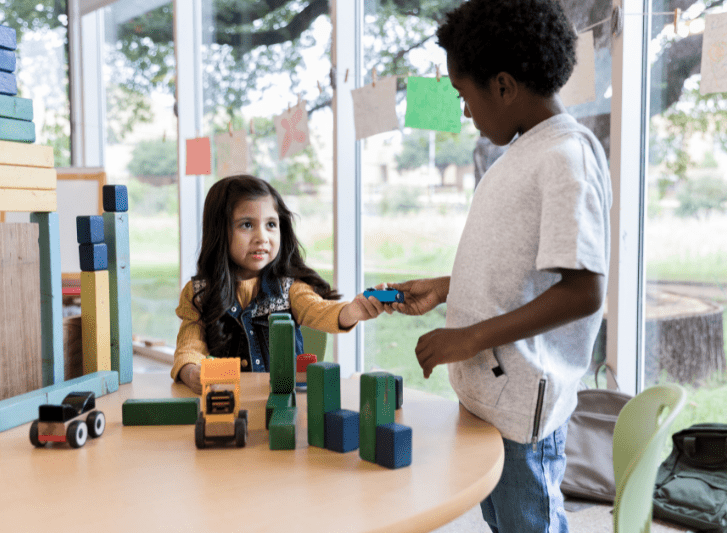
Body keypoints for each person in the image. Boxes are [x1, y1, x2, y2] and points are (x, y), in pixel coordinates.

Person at [385, 1, 612, 531]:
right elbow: (522, 267)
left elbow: (583, 290)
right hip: (494, 395)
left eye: (464, 95)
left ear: (504, 87)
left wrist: (468, 338)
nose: (465, 112)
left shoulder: (566, 158)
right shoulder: (523, 153)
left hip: (522, 408)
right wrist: (448, 287)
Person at [171, 174, 386, 394]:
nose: (262, 237)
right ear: (219, 230)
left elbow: (320, 311)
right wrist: (191, 372)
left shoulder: (290, 288)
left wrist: (353, 310)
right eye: (247, 225)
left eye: (271, 224)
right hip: (229, 401)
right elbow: (189, 347)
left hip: (282, 402)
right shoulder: (199, 294)